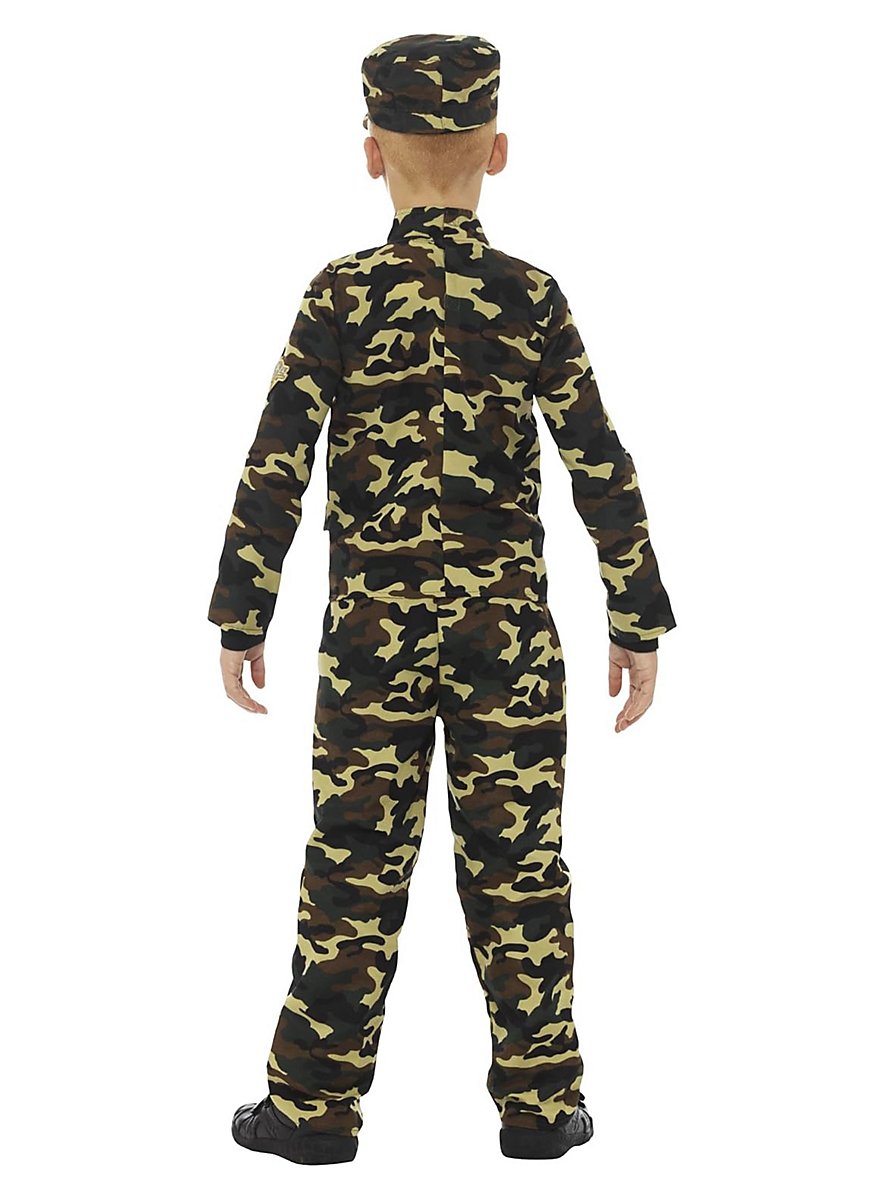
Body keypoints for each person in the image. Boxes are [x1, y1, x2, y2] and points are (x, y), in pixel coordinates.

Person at [207, 31, 677, 1166]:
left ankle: (311, 1114)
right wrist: (636, 616)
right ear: (497, 150)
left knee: (350, 863)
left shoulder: (339, 294)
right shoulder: (530, 297)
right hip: (505, 633)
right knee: (520, 867)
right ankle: (542, 1107)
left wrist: (241, 610)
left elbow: (278, 459)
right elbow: (599, 464)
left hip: (370, 637)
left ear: (370, 151)